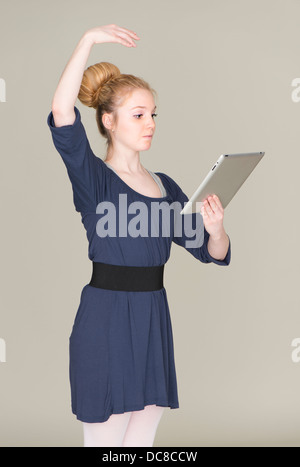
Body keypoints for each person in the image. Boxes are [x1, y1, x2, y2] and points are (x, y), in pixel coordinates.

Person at [46, 24, 231, 448]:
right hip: (105, 319)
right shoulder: (93, 179)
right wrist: (87, 40)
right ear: (108, 121)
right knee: (106, 445)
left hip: (153, 319)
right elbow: (62, 114)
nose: (150, 123)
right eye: (138, 115)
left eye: (153, 115)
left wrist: (217, 229)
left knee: (140, 444)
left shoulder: (166, 186)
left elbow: (211, 252)